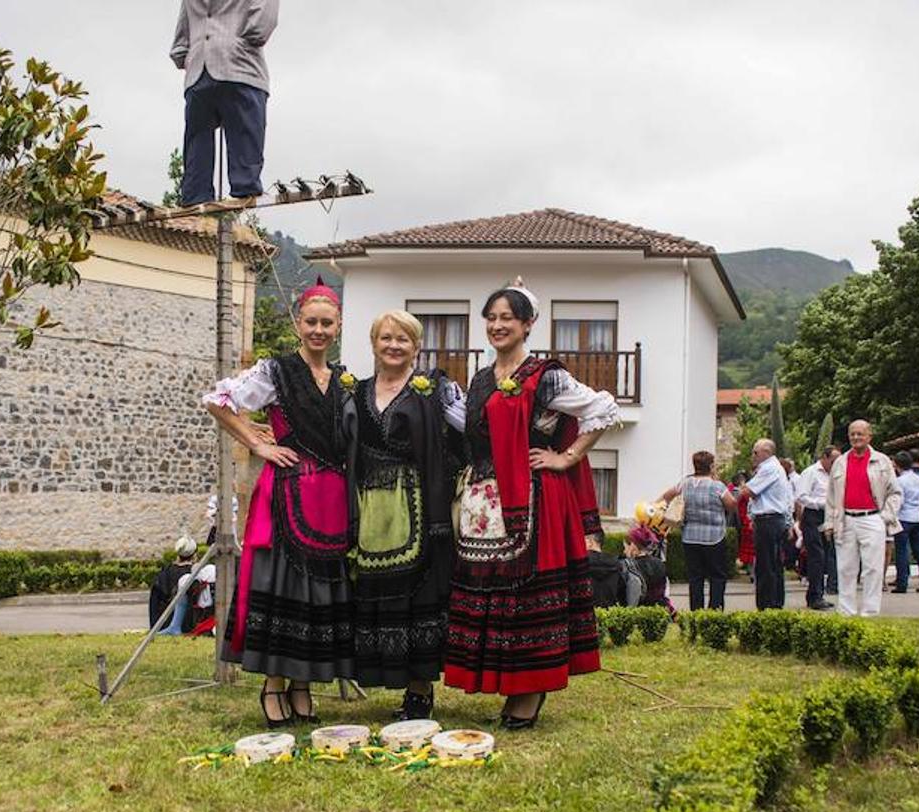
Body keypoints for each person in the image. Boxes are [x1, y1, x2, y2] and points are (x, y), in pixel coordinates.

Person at [444, 279, 618, 730]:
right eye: (492, 317)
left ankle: (530, 687)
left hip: (533, 500)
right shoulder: (482, 380)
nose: (498, 325)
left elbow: (602, 408)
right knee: (493, 594)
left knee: (525, 596)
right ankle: (504, 681)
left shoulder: (545, 377)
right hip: (486, 502)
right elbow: (468, 428)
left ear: (528, 324)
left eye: (508, 318)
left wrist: (567, 456)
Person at [204, 278, 352, 726]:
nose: (318, 331)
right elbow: (218, 399)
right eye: (311, 322)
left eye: (327, 323)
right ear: (298, 325)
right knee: (282, 585)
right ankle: (272, 688)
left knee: (317, 592)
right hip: (287, 491)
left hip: (331, 499)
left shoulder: (345, 378)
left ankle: (303, 686)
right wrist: (256, 442)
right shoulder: (276, 371)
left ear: (338, 325)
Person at [349, 310, 465, 719]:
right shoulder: (356, 391)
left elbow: (473, 427)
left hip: (420, 502)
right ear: (374, 343)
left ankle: (419, 691)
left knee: (420, 594)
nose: (393, 345)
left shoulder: (434, 390)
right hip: (373, 507)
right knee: (378, 591)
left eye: (403, 339)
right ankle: (387, 673)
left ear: (417, 347)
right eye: (386, 338)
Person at [169, 0, 280, 207]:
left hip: (199, 73)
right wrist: (237, 43)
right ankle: (244, 185)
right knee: (245, 127)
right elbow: (263, 23)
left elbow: (179, 45)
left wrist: (193, 54)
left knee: (197, 138)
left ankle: (196, 193)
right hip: (239, 66)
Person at [824, 419, 903, 617]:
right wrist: (829, 523)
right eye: (852, 434)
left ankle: (870, 611)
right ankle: (846, 611)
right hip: (846, 519)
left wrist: (885, 516)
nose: (856, 437)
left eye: (860, 434)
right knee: (845, 568)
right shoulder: (840, 462)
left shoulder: (882, 461)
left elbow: (895, 492)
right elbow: (831, 497)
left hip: (872, 518)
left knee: (873, 568)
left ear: (869, 436)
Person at [659, 450, 737, 611]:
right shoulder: (717, 486)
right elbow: (731, 504)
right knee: (717, 576)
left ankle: (696, 611)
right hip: (714, 537)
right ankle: (714, 610)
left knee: (695, 578)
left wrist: (653, 508)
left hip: (690, 537)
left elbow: (667, 495)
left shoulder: (685, 483)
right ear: (711, 465)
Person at [741, 439, 792, 610]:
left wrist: (745, 488)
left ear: (767, 453)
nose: (753, 456)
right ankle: (775, 602)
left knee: (766, 565)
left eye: (756, 452)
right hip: (774, 520)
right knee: (774, 564)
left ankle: (766, 604)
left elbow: (748, 491)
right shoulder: (774, 468)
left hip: (768, 520)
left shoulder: (769, 468)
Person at [794, 446, 840, 610]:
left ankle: (818, 593)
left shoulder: (834, 475)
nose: (836, 464)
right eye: (833, 461)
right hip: (814, 515)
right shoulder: (811, 472)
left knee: (825, 557)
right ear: (825, 458)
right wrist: (820, 503)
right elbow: (801, 496)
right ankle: (814, 596)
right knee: (816, 557)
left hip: (828, 516)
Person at [892, 451, 919, 594]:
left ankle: (902, 582)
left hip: (904, 518)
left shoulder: (899, 481)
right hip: (918, 517)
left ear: (896, 465)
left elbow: (899, 501)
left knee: (902, 551)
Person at [149, 536, 199, 629]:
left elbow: (154, 604)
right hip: (188, 625)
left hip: (163, 623)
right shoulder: (195, 574)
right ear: (194, 554)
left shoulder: (164, 573)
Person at [734, 472, 755, 575]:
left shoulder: (745, 492)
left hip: (746, 520)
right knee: (752, 548)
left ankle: (750, 568)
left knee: (749, 548)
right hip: (749, 520)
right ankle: (751, 569)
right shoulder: (748, 493)